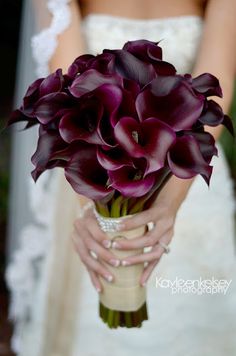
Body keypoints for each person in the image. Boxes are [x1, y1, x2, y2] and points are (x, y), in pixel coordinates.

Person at [6, 0, 236, 355]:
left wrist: (168, 205)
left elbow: (218, 74)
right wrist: (98, 212)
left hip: (186, 176)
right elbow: (73, 86)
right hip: (100, 176)